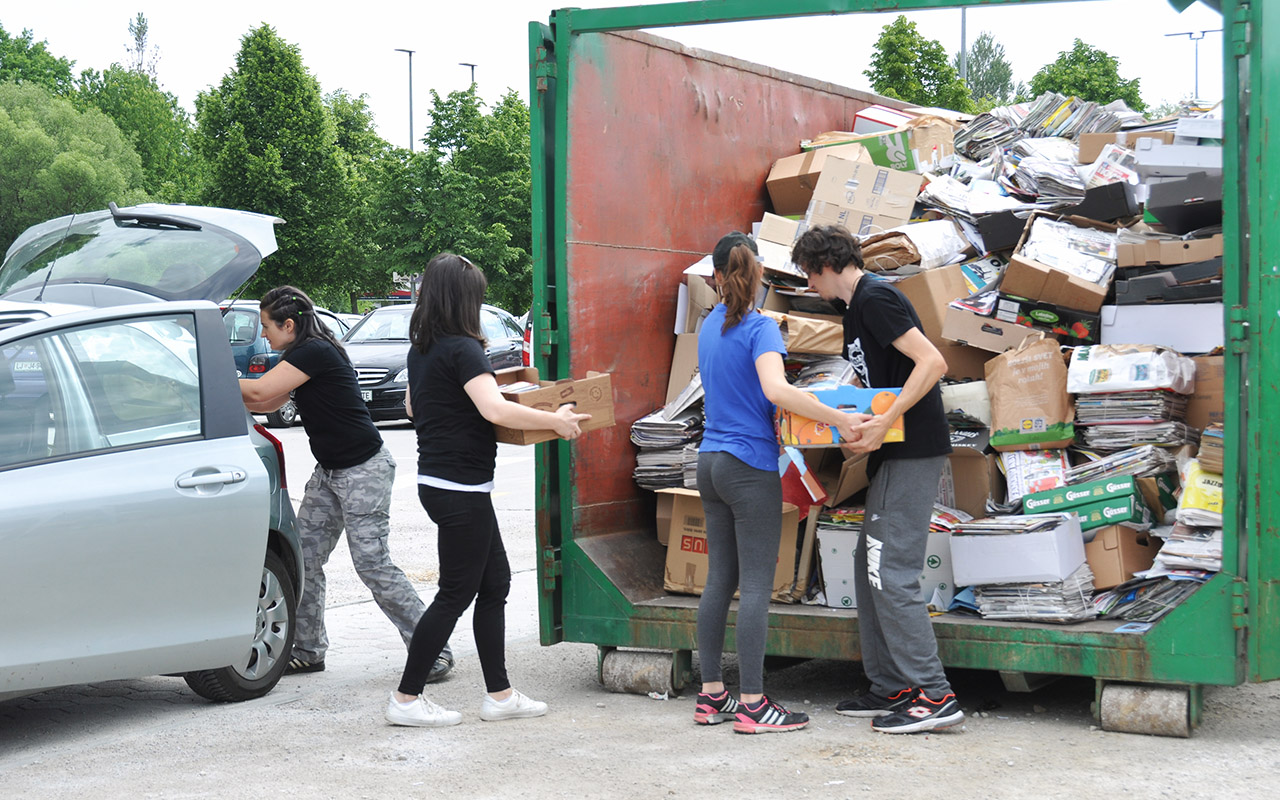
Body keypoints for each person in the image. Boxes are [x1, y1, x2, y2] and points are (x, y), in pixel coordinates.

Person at [384, 253, 590, 728]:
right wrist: (555, 422)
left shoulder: (423, 350)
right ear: (464, 300)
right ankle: (406, 698)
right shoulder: (463, 349)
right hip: (458, 488)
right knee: (456, 592)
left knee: (494, 583)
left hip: (445, 484)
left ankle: (499, 694)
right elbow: (495, 410)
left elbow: (415, 408)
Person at [790, 225, 964, 734]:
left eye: (806, 273)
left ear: (822, 265)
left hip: (913, 449)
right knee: (869, 567)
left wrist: (886, 422)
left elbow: (932, 362)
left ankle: (934, 694)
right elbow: (876, 385)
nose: (808, 284)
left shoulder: (877, 299)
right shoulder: (854, 311)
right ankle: (893, 685)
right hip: (892, 451)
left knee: (892, 571)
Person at [693, 232, 863, 735]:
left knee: (719, 580)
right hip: (749, 468)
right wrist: (838, 417)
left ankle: (711, 696)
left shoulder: (707, 326)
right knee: (757, 589)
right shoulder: (761, 328)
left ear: (718, 276)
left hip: (710, 463)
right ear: (761, 274)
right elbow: (775, 389)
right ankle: (752, 704)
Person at [239, 286, 454, 682]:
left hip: (363, 469)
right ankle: (307, 649)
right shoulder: (302, 353)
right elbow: (267, 403)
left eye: (267, 326)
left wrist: (201, 379)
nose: (264, 334)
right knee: (304, 557)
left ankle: (433, 648)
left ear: (289, 324)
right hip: (331, 472)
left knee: (372, 563)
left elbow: (258, 390)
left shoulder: (314, 352)